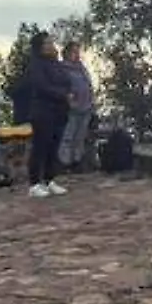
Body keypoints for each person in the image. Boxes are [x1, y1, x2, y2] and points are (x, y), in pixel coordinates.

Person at [24, 33, 73, 197]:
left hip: (59, 111)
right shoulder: (36, 65)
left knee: (54, 147)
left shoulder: (56, 64)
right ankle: (34, 184)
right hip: (43, 112)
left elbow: (67, 81)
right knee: (40, 147)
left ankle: (49, 180)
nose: (52, 45)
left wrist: (67, 93)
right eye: (48, 43)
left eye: (52, 42)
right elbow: (42, 86)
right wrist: (62, 94)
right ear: (41, 46)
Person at [59, 41, 96, 170]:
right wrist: (69, 100)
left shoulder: (81, 68)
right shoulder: (62, 69)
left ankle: (77, 161)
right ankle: (64, 162)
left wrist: (92, 102)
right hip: (71, 108)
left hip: (86, 106)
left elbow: (88, 85)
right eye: (74, 52)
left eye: (78, 52)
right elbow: (61, 87)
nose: (77, 55)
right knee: (68, 136)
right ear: (67, 53)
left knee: (80, 137)